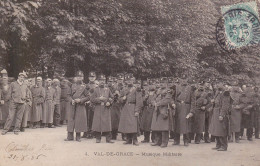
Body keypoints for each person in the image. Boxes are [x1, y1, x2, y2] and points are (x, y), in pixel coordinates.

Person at [118, 74, 143, 146]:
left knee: (133, 124)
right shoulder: (124, 89)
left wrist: (137, 110)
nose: (129, 82)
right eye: (128, 80)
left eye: (131, 80)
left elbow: (139, 101)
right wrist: (122, 99)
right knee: (126, 124)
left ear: (133, 80)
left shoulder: (136, 89)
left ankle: (135, 139)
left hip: (133, 107)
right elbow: (119, 99)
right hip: (126, 107)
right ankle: (128, 139)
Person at [65, 71, 90, 142]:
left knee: (79, 120)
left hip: (80, 105)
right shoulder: (72, 85)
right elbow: (68, 95)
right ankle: (69, 136)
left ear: (82, 77)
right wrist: (71, 100)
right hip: (72, 105)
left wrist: (81, 100)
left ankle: (78, 136)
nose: (79, 78)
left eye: (81, 76)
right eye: (78, 76)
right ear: (76, 77)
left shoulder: (85, 86)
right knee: (70, 120)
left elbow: (88, 97)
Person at [91, 74, 114, 143]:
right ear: (98, 81)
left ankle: (108, 139)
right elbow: (92, 99)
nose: (102, 82)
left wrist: (109, 102)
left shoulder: (107, 89)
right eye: (101, 80)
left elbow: (112, 97)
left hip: (106, 108)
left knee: (107, 123)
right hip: (98, 107)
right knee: (98, 123)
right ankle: (98, 138)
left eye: (103, 80)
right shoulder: (95, 90)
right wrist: (99, 99)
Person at [151, 82, 175, 148]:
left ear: (166, 84)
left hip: (164, 110)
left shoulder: (168, 91)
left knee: (164, 128)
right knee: (157, 126)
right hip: (157, 110)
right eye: (161, 83)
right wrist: (154, 103)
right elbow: (152, 99)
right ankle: (157, 141)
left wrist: (157, 104)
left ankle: (164, 142)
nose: (161, 84)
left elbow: (167, 100)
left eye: (163, 83)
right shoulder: (157, 91)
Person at [209, 84, 232, 151]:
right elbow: (216, 102)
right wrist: (213, 102)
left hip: (220, 113)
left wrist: (221, 114)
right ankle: (218, 145)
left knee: (222, 130)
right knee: (216, 130)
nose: (217, 87)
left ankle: (224, 146)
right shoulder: (217, 92)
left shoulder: (225, 93)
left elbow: (225, 105)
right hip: (216, 112)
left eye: (218, 86)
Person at [173, 77, 195, 146]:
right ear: (180, 80)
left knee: (186, 124)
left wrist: (192, 111)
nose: (183, 80)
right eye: (182, 79)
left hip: (186, 107)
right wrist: (173, 105)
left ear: (187, 80)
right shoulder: (176, 88)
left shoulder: (190, 88)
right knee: (177, 123)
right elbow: (173, 98)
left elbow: (193, 101)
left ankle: (186, 140)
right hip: (178, 106)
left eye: (185, 79)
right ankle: (176, 140)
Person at [82, 72, 97, 139]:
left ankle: (93, 133)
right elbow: (84, 94)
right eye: (90, 77)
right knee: (86, 118)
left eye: (93, 77)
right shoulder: (86, 85)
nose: (92, 78)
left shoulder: (97, 86)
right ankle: (86, 132)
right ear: (88, 78)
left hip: (94, 104)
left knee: (93, 118)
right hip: (87, 103)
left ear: (95, 77)